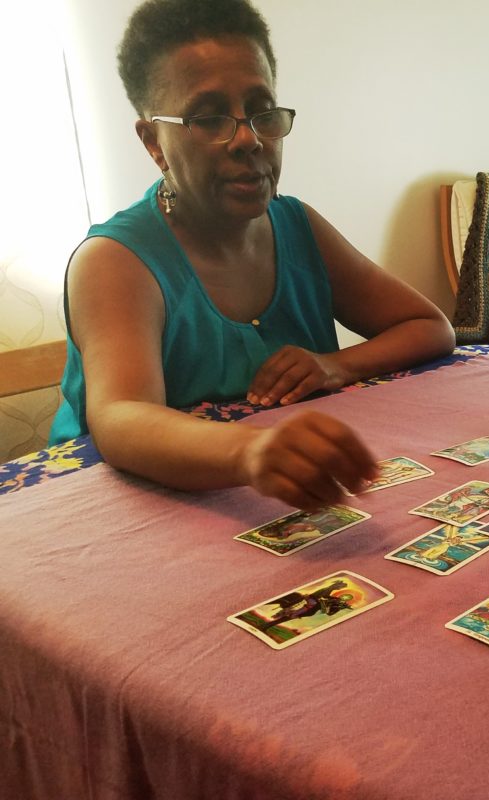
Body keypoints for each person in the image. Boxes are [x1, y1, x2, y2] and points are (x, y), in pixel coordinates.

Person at [49, 0, 455, 510]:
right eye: (209, 117)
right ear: (153, 141)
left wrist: (334, 366)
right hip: (104, 515)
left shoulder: (296, 225)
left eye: (262, 112)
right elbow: (122, 417)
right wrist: (250, 450)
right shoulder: (115, 260)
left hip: (270, 508)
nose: (248, 139)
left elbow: (430, 326)